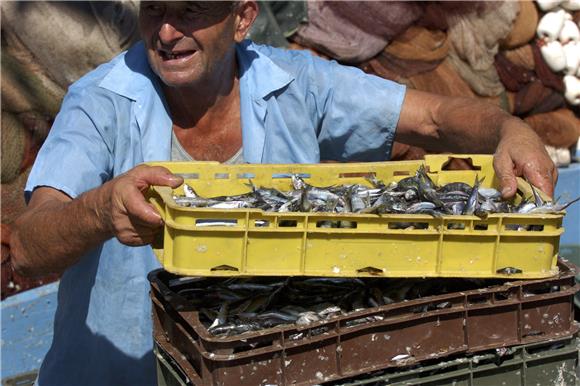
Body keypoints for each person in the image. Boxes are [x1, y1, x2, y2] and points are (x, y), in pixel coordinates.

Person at [9, 2, 557, 385]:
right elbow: (31, 245)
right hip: (120, 378)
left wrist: (511, 131)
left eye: (193, 10)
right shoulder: (101, 100)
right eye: (155, 10)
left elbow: (435, 119)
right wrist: (101, 211)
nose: (168, 32)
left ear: (243, 17)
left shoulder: (298, 81)